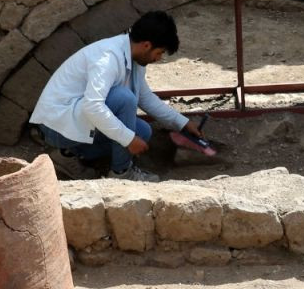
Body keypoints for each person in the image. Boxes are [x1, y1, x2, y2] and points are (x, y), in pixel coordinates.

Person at [29, 10, 205, 183]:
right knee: (123, 99)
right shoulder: (108, 58)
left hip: (74, 121)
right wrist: (127, 139)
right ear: (146, 45)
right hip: (54, 127)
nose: (158, 58)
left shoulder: (134, 57)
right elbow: (93, 106)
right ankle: (121, 172)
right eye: (159, 53)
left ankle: (66, 155)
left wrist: (182, 123)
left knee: (143, 132)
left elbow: (146, 98)